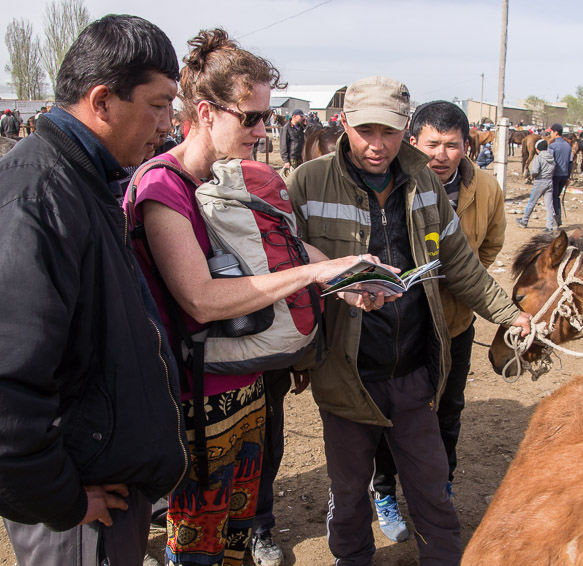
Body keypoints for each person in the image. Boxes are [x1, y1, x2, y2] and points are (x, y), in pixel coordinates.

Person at [125, 29, 377, 566]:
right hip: (194, 400)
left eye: (266, 117)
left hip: (246, 387)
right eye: (252, 117)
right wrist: (315, 273)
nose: (263, 131)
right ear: (205, 113)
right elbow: (201, 299)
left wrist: (347, 278)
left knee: (236, 540)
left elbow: (282, 246)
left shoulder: (227, 177)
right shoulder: (162, 187)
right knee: (199, 548)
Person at [287, 75, 531, 566]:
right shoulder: (307, 183)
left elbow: (461, 263)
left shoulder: (425, 183)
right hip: (345, 372)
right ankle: (351, 558)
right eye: (366, 131)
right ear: (344, 123)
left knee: (431, 486)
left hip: (415, 369)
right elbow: (286, 266)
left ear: (405, 128)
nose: (377, 145)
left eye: (390, 132)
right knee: (349, 491)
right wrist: (299, 350)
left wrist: (510, 315)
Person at [0, 15, 189, 566]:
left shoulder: (85, 179)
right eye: (158, 105)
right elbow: (8, 388)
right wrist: (61, 500)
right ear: (102, 101)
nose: (168, 125)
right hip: (83, 510)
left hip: (104, 486)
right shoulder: (39, 196)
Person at [369, 100, 507, 542]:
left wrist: (460, 283)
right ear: (413, 142)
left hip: (455, 321)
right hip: (402, 322)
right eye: (432, 144)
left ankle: (440, 486)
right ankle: (385, 491)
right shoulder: (396, 183)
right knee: (390, 412)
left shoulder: (486, 188)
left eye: (452, 145)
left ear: (467, 145)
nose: (441, 155)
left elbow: (490, 246)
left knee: (448, 409)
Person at [516, 138, 556, 231]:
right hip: (549, 182)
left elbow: (534, 171)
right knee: (549, 205)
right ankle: (549, 226)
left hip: (539, 182)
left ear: (538, 149)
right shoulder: (551, 157)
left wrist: (532, 176)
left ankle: (524, 221)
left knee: (532, 202)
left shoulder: (539, 158)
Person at [547, 123, 573, 226]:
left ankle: (555, 220)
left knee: (553, 197)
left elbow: (549, 161)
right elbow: (570, 163)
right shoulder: (568, 146)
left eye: (552, 132)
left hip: (555, 175)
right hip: (564, 175)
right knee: (557, 196)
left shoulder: (552, 146)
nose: (551, 134)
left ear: (556, 132)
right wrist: (568, 177)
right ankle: (558, 219)